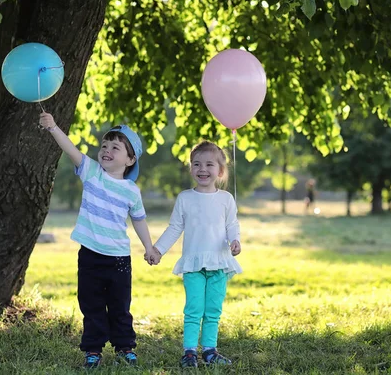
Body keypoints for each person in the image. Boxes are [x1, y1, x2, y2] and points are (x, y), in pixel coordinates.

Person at [39, 112, 156, 369]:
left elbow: (138, 220)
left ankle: (125, 348)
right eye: (105, 145)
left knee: (120, 307)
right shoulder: (92, 173)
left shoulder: (131, 191)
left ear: (130, 159)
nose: (107, 150)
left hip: (119, 260)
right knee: (91, 306)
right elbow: (71, 150)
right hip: (91, 256)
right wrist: (54, 128)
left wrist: (149, 247)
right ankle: (93, 350)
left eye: (116, 147)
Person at [145, 141, 242, 368]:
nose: (202, 169)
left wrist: (235, 241)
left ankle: (209, 350)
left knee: (213, 310)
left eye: (209, 164)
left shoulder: (226, 199)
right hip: (193, 265)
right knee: (194, 308)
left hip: (218, 263)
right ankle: (189, 352)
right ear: (191, 169)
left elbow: (232, 225)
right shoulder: (185, 198)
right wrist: (158, 249)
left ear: (220, 171)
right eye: (196, 164)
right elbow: (175, 228)